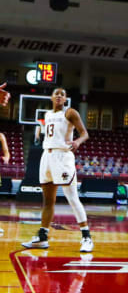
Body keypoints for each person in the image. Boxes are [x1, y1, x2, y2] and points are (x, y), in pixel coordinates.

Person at [22, 88, 94, 252]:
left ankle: (86, 237)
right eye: (57, 93)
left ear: (65, 98)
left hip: (62, 157)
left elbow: (85, 133)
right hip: (46, 157)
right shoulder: (47, 115)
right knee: (48, 201)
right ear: (51, 97)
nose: (60, 95)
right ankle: (42, 236)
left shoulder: (70, 113)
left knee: (72, 198)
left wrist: (77, 142)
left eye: (63, 94)